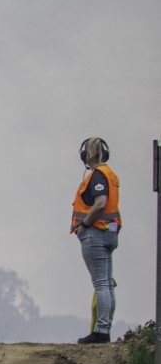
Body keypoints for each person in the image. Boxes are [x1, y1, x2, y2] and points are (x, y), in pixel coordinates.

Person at [71, 136, 120, 344]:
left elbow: (100, 203)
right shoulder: (110, 174)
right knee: (106, 284)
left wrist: (84, 225)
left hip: (96, 232)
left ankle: (101, 331)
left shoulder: (98, 175)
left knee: (101, 284)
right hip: (109, 232)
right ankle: (104, 328)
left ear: (85, 156)